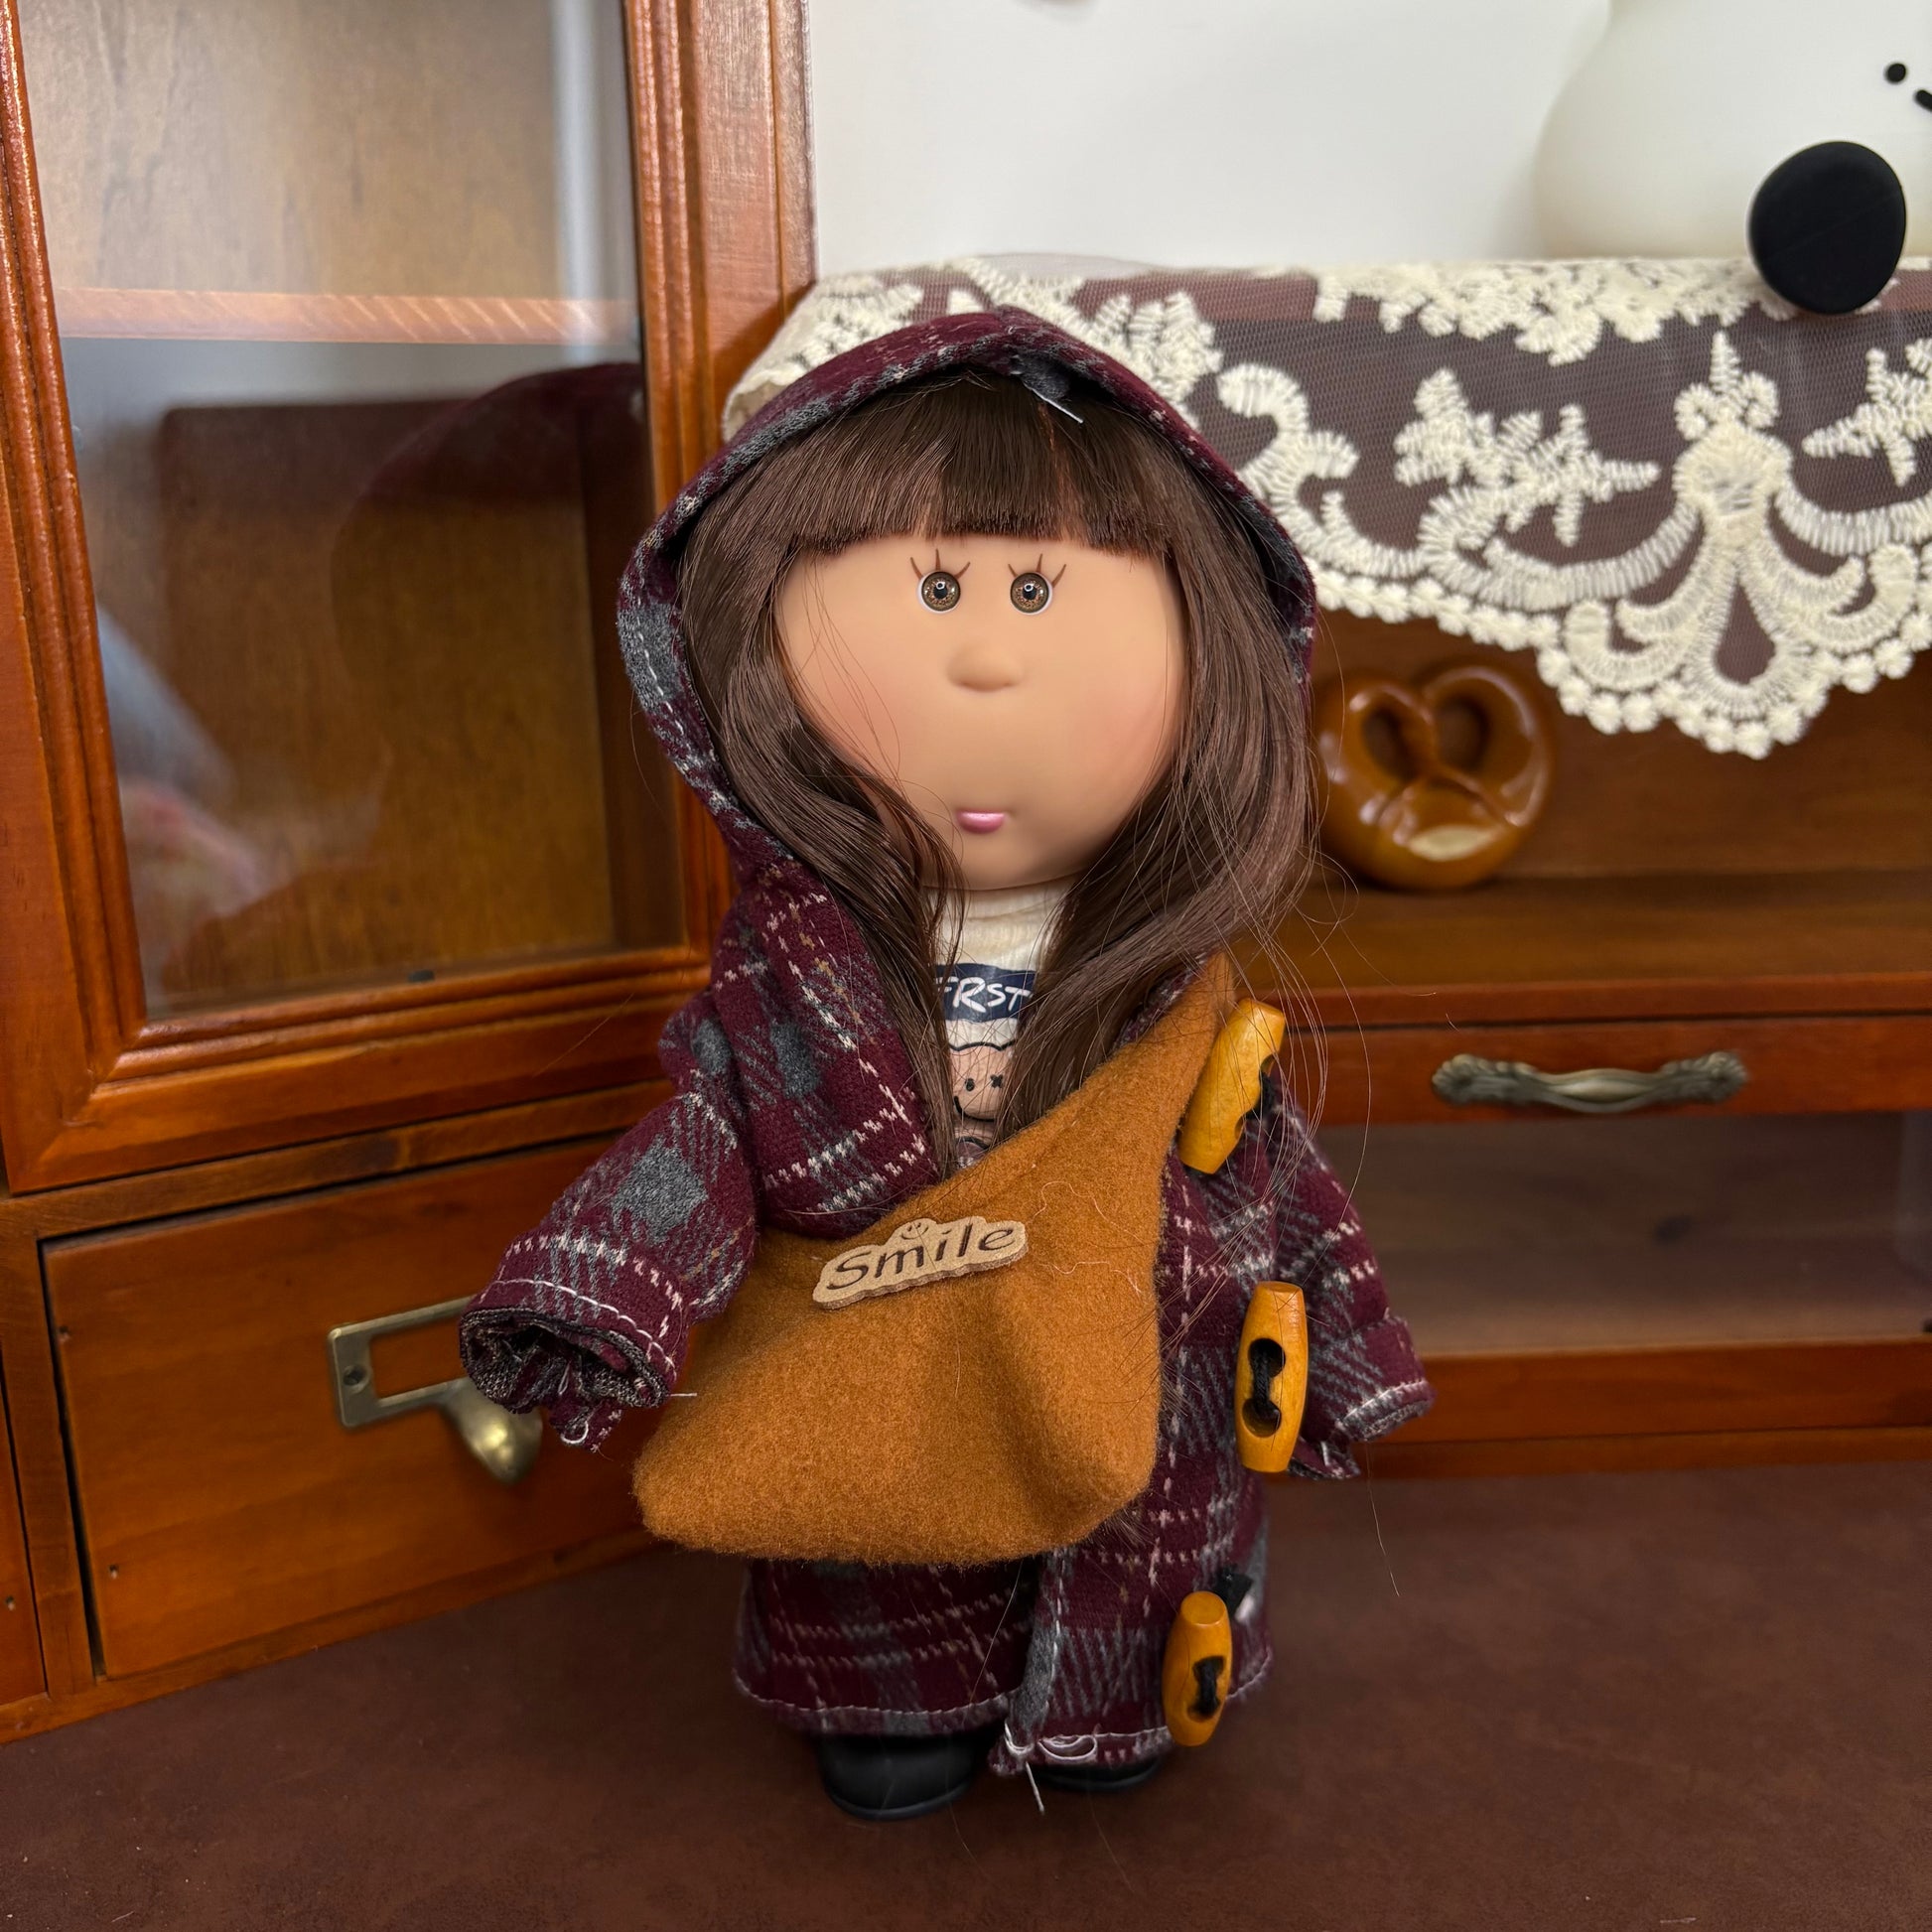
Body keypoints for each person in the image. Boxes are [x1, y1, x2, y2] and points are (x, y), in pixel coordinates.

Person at [460, 309, 1432, 1820]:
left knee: (1130, 1547)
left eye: (1039, 590)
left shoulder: (1177, 998)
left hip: (1136, 1397)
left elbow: (1275, 1187)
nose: (985, 654)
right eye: (932, 589)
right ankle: (898, 1702)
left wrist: (1346, 1359)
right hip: (882, 1380)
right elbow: (702, 1145)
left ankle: (1109, 1703)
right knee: (881, 1562)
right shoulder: (789, 985)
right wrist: (599, 1293)